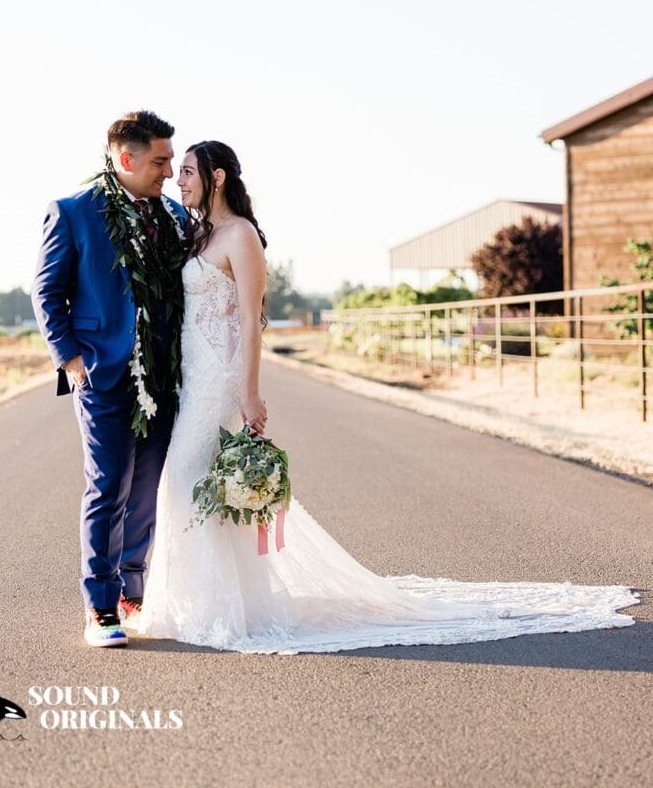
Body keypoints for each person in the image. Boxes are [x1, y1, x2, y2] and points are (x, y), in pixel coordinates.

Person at [133, 140, 640, 653]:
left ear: (217, 177)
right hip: (192, 378)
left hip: (220, 381)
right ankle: (209, 604)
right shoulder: (200, 235)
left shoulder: (240, 236)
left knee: (184, 479)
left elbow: (249, 320)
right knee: (198, 486)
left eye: (190, 172)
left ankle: (218, 609)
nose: (181, 180)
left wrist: (249, 391)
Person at [32, 110, 189, 648]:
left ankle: (133, 593)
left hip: (165, 375)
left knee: (145, 490)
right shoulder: (74, 212)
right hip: (101, 371)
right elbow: (46, 293)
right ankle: (99, 608)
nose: (169, 172)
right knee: (108, 487)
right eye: (160, 161)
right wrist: (72, 362)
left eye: (171, 161)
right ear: (126, 159)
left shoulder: (172, 214)